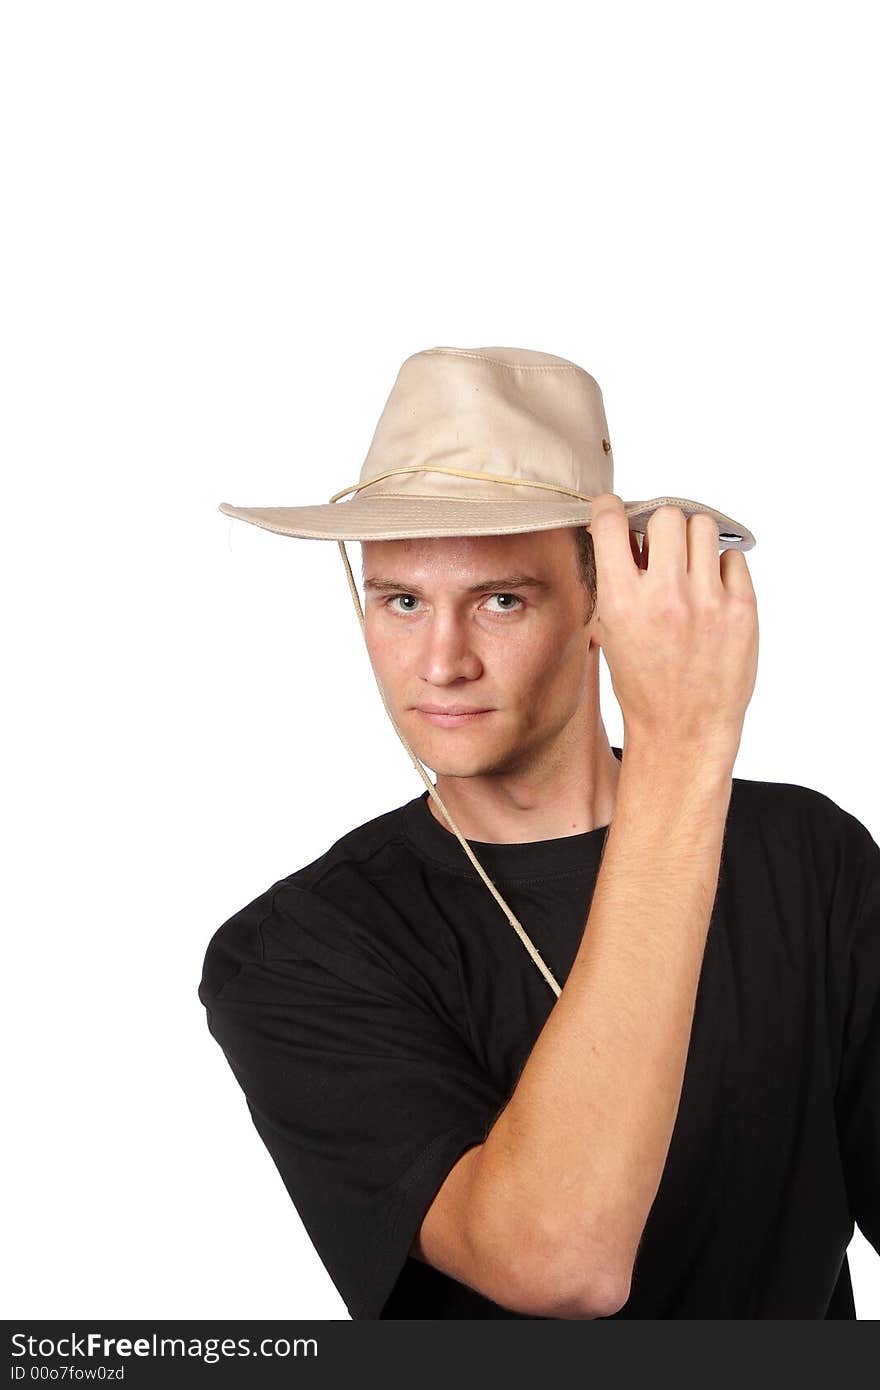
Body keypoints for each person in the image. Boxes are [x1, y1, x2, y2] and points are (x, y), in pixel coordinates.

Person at [198, 345, 878, 1318]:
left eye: (500, 600)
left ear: (606, 604)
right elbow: (557, 1263)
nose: (441, 663)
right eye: (401, 601)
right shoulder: (299, 949)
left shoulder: (807, 856)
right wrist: (684, 745)